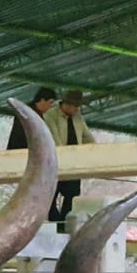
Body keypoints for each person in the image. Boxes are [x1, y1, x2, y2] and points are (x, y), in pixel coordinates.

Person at [42, 89, 96, 227]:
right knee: (50, 198)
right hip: (55, 164)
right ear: (67, 104)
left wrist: (95, 149)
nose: (77, 109)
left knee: (71, 198)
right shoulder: (50, 115)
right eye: (75, 106)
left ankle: (64, 226)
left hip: (73, 164)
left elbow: (86, 136)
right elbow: (55, 140)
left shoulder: (77, 116)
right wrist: (65, 158)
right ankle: (55, 225)